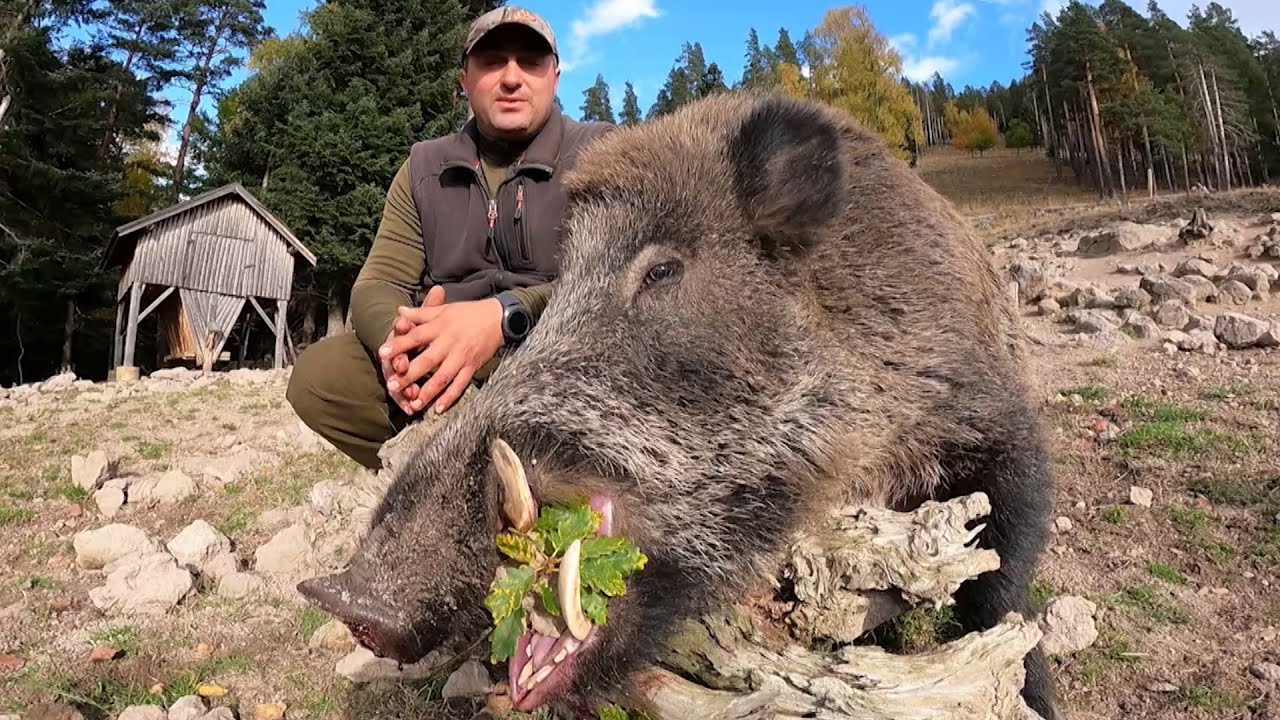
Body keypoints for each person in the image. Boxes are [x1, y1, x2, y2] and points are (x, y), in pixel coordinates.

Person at [286, 7, 614, 470]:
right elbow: (376, 284)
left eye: (530, 62)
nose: (512, 78)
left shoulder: (600, 152)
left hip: (560, 356)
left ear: (555, 77)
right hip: (445, 367)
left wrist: (500, 317)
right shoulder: (423, 168)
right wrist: (407, 353)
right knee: (319, 378)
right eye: (493, 62)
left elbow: (616, 280)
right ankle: (452, 471)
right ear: (464, 79)